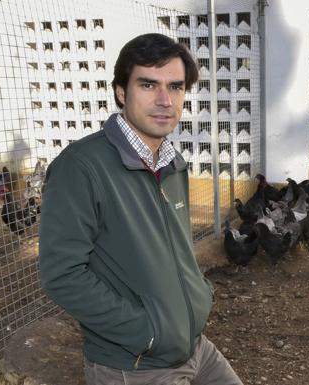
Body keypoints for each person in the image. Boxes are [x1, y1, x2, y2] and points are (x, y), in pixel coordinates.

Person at [39, 33, 242, 385]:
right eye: (149, 85)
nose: (165, 100)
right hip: (136, 365)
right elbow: (61, 274)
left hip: (195, 346)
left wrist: (199, 295)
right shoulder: (82, 167)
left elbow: (175, 248)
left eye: (176, 87)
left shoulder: (172, 163)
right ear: (121, 91)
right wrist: (147, 332)